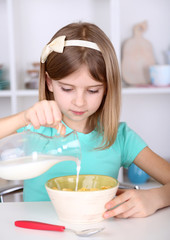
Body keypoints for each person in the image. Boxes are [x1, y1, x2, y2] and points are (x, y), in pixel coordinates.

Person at [0, 22, 170, 219]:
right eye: (67, 88)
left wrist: (156, 197)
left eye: (92, 90)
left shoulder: (119, 136)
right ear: (49, 82)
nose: (79, 102)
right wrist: (23, 117)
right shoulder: (34, 126)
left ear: (107, 89)